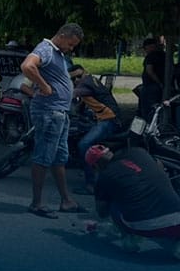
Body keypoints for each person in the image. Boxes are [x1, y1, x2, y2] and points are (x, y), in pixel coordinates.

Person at [20, 23, 88, 219]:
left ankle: (66, 200)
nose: (71, 48)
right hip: (49, 112)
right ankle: (37, 203)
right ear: (63, 35)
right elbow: (27, 66)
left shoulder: (57, 53)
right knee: (43, 156)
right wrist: (43, 86)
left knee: (59, 158)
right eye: (71, 43)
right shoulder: (46, 49)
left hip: (60, 113)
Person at [86, 145, 180, 259]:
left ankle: (129, 238)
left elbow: (102, 212)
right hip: (177, 216)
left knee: (112, 202)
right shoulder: (138, 151)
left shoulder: (104, 177)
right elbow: (159, 167)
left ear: (95, 166)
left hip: (144, 225)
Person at [68, 64, 121, 195]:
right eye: (73, 79)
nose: (76, 80)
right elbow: (86, 100)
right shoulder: (91, 80)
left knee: (84, 145)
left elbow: (71, 95)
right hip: (105, 118)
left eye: (78, 76)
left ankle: (90, 184)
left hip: (109, 119)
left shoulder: (86, 82)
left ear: (85, 73)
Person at [139, 37, 165, 120]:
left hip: (150, 86)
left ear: (150, 46)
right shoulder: (163, 55)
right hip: (157, 86)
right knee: (155, 107)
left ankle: (147, 126)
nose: (145, 51)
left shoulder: (151, 56)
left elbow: (149, 71)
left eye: (145, 48)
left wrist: (158, 82)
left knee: (147, 108)